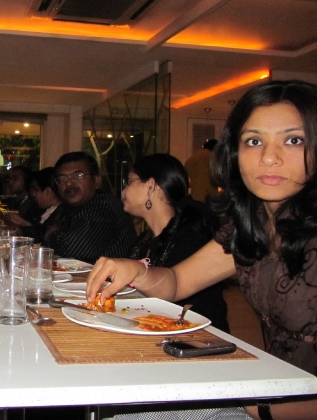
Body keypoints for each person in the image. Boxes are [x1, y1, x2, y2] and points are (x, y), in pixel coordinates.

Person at [87, 80, 317, 419]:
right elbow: (177, 282)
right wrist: (138, 271)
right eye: (254, 141)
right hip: (270, 388)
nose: (269, 157)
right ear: (235, 154)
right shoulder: (249, 226)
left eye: (293, 140)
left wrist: (259, 405)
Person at [122, 153, 229, 332]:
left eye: (129, 182)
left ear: (150, 186)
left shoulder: (190, 240)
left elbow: (192, 310)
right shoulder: (144, 241)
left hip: (198, 337)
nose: (123, 191)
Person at [45, 152, 137, 263]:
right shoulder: (66, 207)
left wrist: (52, 235)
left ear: (96, 181)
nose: (68, 183)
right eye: (62, 178)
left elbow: (74, 249)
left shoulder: (104, 206)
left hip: (109, 275)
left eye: (77, 176)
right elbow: (42, 230)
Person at [4, 167, 61, 244]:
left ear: (48, 191)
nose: (33, 194)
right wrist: (21, 223)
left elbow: (42, 238)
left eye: (36, 190)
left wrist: (22, 223)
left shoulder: (61, 214)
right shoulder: (45, 210)